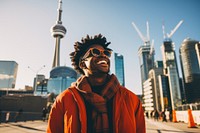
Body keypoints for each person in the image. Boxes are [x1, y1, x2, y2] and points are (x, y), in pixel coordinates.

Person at [47, 34, 145, 133]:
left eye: (106, 53)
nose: (103, 55)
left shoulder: (132, 100)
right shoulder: (64, 100)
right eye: (95, 52)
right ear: (82, 64)